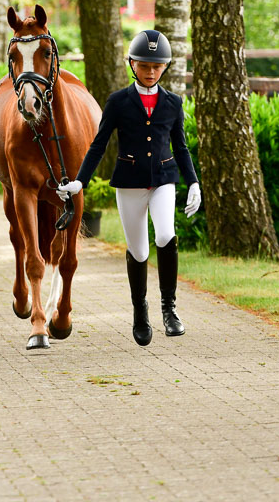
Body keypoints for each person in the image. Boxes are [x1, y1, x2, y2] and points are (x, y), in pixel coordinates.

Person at [57, 30, 201, 347]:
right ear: (132, 64)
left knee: (165, 235)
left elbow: (182, 147)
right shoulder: (118, 102)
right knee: (139, 251)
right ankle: (140, 312)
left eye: (157, 67)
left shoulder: (173, 103)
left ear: (164, 68)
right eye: (145, 66)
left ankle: (170, 310)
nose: (151, 72)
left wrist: (193, 182)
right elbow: (98, 146)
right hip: (130, 183)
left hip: (163, 179)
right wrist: (81, 180)